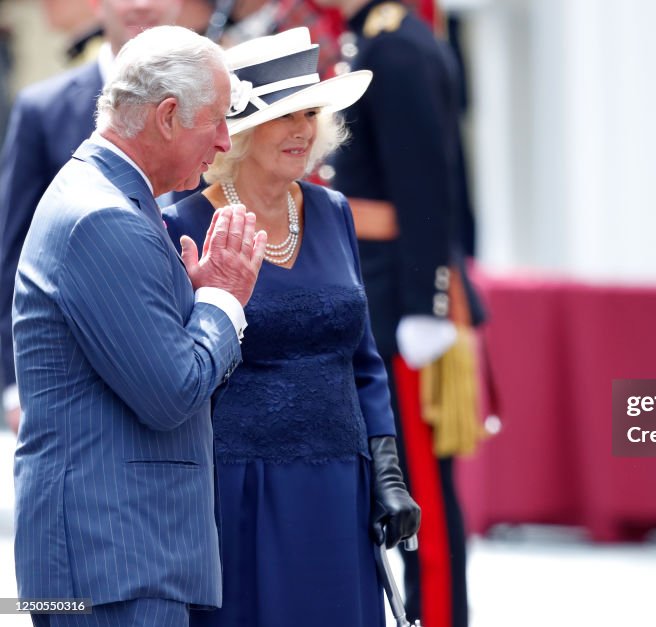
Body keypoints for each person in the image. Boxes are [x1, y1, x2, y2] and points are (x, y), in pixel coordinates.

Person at [163, 27, 421, 625]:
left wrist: (386, 472)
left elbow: (364, 359)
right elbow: (177, 369)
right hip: (237, 487)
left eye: (310, 113)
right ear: (243, 131)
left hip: (339, 484)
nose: (303, 130)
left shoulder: (332, 213)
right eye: (285, 116)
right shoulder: (184, 221)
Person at [13, 25, 265, 627]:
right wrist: (223, 303)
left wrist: (197, 301)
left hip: (115, 556)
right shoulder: (105, 216)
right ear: (169, 116)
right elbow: (171, 392)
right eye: (218, 120)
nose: (227, 140)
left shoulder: (108, 197)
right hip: (115, 561)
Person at [321, 2, 486, 626]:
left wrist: (426, 304)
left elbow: (428, 187)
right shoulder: (369, 39)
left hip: (402, 303)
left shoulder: (400, 48)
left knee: (419, 493)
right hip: (374, 292)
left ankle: (438, 616)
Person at [0, 0, 185, 434]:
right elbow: (13, 253)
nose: (142, 4)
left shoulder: (218, 103)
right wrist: (13, 383)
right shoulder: (42, 110)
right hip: (77, 376)